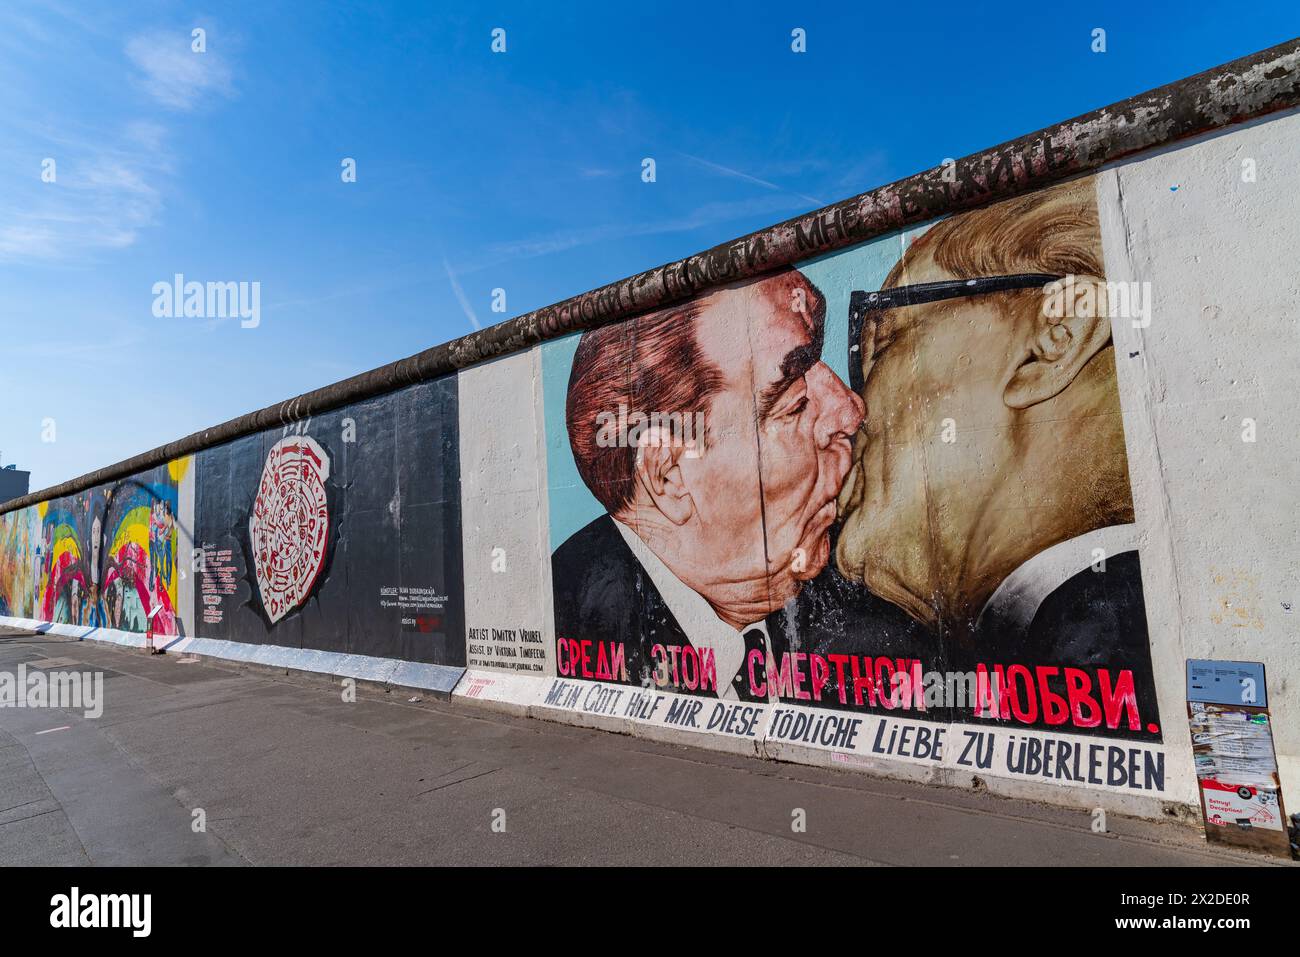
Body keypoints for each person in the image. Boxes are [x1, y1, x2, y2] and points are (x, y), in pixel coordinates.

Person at [834, 178, 1157, 730]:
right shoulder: (1093, 636)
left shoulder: (1110, 639)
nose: (850, 408)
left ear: (1055, 338)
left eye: (884, 341)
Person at [553, 268, 864, 700]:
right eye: (794, 404)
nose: (849, 411)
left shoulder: (870, 624)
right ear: (669, 477)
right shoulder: (563, 615)